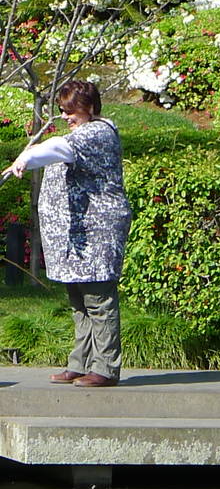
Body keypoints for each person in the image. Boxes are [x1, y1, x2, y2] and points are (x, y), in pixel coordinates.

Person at [1, 80, 132, 387]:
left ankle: (105, 369)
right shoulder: (81, 132)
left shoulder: (98, 133)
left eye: (71, 110)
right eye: (62, 110)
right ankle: (80, 362)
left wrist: (28, 157)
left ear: (89, 108)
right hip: (76, 237)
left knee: (98, 300)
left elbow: (59, 148)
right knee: (78, 299)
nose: (66, 116)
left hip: (97, 232)